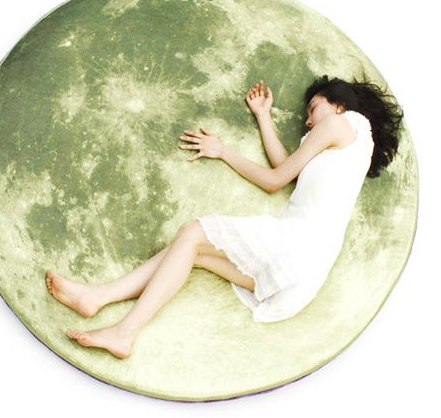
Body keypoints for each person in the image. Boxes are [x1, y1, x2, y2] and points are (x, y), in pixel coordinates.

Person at [46, 74, 404, 359]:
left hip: (297, 243)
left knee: (193, 230)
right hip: (304, 271)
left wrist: (222, 150)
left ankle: (124, 332)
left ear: (339, 105)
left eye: (313, 108)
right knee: (190, 251)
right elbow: (286, 166)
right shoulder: (352, 145)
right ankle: (97, 297)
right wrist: (263, 115)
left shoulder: (342, 123)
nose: (308, 121)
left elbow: (275, 180)